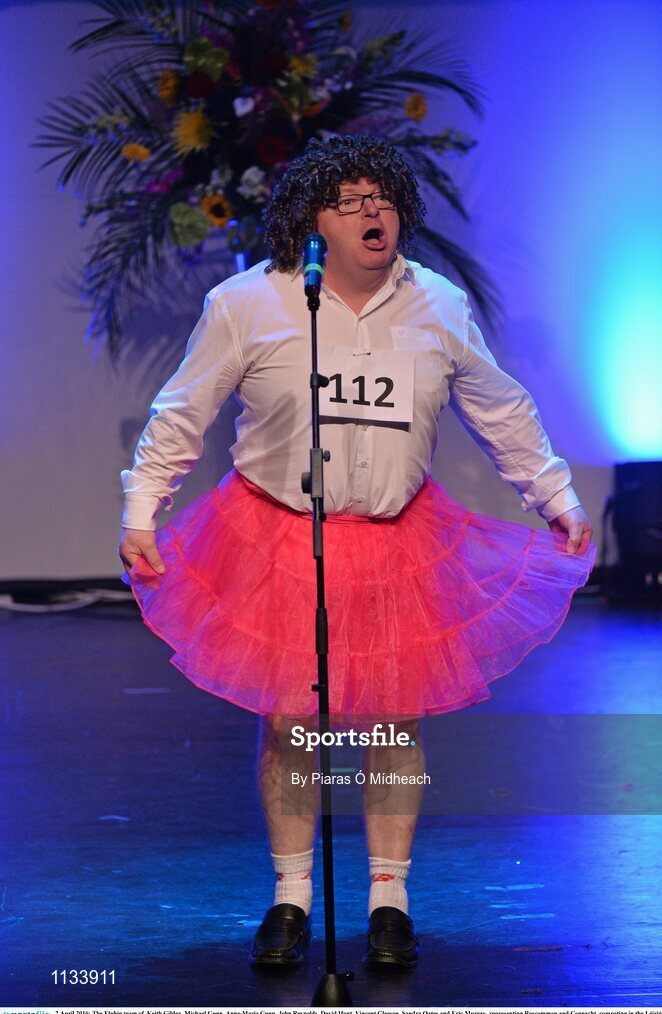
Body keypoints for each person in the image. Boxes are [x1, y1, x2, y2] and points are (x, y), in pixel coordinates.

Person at [119, 134, 595, 971]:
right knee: (291, 723)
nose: (373, 213)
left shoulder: (437, 304)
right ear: (313, 223)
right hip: (279, 536)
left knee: (392, 717)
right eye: (351, 202)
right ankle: (292, 896)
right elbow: (183, 410)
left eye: (383, 199)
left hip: (395, 539)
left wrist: (555, 495)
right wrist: (141, 507)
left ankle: (388, 901)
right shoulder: (252, 303)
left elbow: (501, 408)